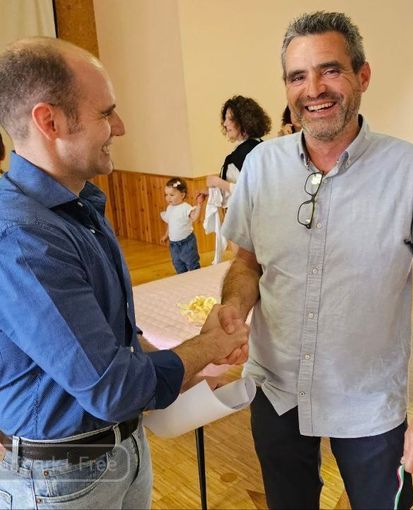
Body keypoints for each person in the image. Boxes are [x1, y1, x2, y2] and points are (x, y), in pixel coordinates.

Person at [202, 11, 413, 510]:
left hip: (368, 404)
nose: (314, 90)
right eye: (297, 76)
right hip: (276, 391)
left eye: (330, 70)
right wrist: (233, 308)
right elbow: (247, 262)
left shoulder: (411, 171)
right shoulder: (261, 165)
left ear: (362, 76)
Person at [0, 37, 248, 510]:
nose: (120, 126)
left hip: (121, 449)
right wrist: (210, 347)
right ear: (49, 122)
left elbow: (115, 340)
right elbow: (112, 388)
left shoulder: (79, 207)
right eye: (106, 113)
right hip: (63, 478)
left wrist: (193, 361)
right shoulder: (23, 239)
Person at [205, 95, 271, 208]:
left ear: (244, 121)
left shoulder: (247, 152)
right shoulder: (259, 146)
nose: (225, 124)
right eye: (225, 119)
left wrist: (218, 182)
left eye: (230, 119)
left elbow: (253, 192)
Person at [160, 177, 203, 274]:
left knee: (192, 263)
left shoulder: (185, 207)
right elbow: (171, 223)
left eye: (171, 195)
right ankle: (182, 279)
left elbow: (194, 217)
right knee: (178, 264)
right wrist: (166, 235)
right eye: (166, 195)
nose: (168, 198)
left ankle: (197, 278)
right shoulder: (169, 208)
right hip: (174, 244)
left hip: (187, 242)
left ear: (182, 195)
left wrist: (199, 205)